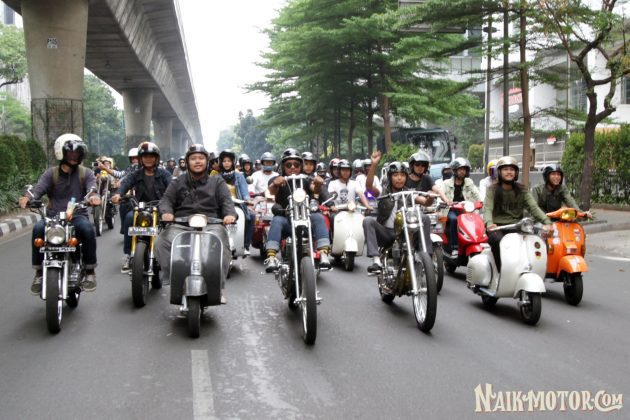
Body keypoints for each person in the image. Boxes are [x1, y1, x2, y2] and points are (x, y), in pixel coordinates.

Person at [19, 133, 101, 294]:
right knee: (38, 228)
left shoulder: (86, 173)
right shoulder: (51, 173)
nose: (74, 156)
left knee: (87, 229)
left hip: (77, 216)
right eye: (70, 152)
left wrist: (93, 197)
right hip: (53, 217)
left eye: (77, 153)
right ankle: (39, 273)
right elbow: (37, 190)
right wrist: (27, 197)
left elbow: (92, 189)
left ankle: (90, 271)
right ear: (61, 152)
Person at [156, 144, 237, 302]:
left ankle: (218, 287)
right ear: (187, 162)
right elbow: (166, 200)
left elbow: (227, 201)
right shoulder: (178, 181)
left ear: (207, 161)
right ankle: (175, 279)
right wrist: (166, 212)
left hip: (212, 224)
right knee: (161, 242)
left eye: (201, 158)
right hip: (181, 224)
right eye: (193, 158)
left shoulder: (217, 181)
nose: (197, 161)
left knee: (223, 245)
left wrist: (229, 214)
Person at [362, 150, 433, 273]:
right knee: (368, 220)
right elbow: (368, 187)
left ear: (406, 177)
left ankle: (426, 256)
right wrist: (374, 164)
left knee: (425, 218)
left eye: (402, 175)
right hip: (386, 233)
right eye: (395, 175)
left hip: (405, 234)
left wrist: (430, 197)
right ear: (390, 177)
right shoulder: (383, 191)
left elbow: (426, 202)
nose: (399, 178)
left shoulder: (409, 192)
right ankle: (376, 260)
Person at [263, 148, 331, 272]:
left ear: (301, 166)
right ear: (283, 166)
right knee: (277, 220)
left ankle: (323, 254)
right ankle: (271, 258)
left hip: (306, 218)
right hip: (286, 220)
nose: (293, 167)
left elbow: (315, 189)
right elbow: (271, 191)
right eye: (289, 165)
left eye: (296, 164)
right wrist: (275, 184)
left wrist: (318, 183)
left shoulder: (307, 179)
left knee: (319, 217)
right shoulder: (277, 180)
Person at [111, 141, 172, 273]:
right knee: (129, 218)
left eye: (151, 156)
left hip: (160, 208)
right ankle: (128, 254)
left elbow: (172, 187)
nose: (148, 159)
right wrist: (118, 194)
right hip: (141, 208)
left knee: (169, 224)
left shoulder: (164, 174)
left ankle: (169, 253)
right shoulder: (136, 174)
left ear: (156, 158)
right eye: (145, 156)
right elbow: (125, 184)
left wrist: (173, 199)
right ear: (140, 159)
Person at [484, 156, 552, 272]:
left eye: (512, 169)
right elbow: (487, 208)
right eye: (505, 169)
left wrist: (547, 222)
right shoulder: (492, 189)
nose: (509, 172)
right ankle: (501, 271)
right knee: (497, 240)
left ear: (516, 172)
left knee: (536, 241)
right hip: (497, 227)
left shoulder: (522, 190)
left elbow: (534, 208)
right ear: (499, 172)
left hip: (517, 226)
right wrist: (489, 223)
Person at [438, 157, 480, 255]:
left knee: (476, 220)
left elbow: (477, 194)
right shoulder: (446, 183)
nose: (462, 172)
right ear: (455, 170)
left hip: (466, 210)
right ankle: (455, 247)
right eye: (460, 169)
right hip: (450, 210)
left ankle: (473, 242)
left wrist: (480, 201)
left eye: (464, 169)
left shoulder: (469, 182)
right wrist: (446, 201)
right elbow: (440, 195)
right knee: (454, 220)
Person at [218, 149, 255, 255]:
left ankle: (245, 246)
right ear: (221, 162)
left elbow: (244, 191)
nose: (226, 163)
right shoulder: (216, 177)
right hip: (221, 206)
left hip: (238, 204)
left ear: (233, 162)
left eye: (229, 161)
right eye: (224, 161)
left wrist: (248, 200)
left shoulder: (239, 176)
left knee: (251, 216)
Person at [327, 159, 372, 234]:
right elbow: (330, 196)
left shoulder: (355, 183)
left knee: (362, 220)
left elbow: (361, 194)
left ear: (350, 171)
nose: (345, 172)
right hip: (337, 211)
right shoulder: (332, 183)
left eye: (347, 170)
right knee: (332, 218)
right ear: (339, 171)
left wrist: (367, 205)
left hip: (352, 210)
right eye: (343, 170)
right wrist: (332, 206)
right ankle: (333, 238)